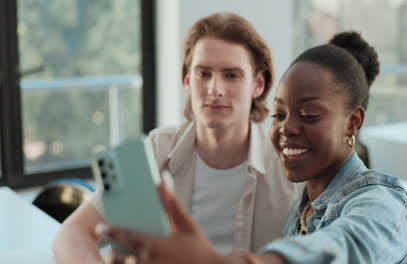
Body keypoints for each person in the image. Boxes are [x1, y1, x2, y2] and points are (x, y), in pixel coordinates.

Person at [96, 31, 407, 263]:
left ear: (353, 122)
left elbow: (344, 247)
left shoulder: (380, 201)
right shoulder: (302, 208)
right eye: (279, 114)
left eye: (309, 114)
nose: (287, 128)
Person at [53, 13, 301, 264]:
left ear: (258, 85)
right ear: (187, 81)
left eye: (231, 75)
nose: (215, 89)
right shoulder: (158, 148)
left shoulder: (290, 161)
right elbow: (71, 234)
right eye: (203, 74)